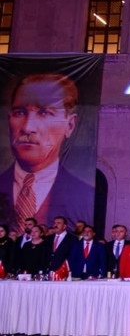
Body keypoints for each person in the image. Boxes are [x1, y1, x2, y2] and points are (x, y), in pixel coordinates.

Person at [0, 74, 95, 234]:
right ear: (9, 120)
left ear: (70, 125)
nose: (27, 127)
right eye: (20, 112)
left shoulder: (83, 194)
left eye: (44, 113)